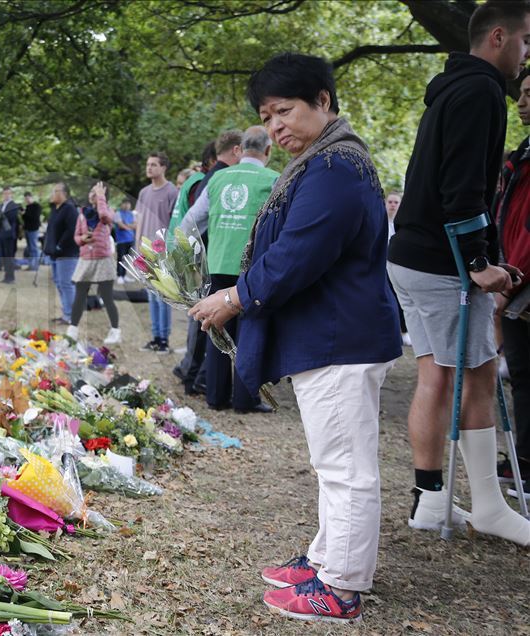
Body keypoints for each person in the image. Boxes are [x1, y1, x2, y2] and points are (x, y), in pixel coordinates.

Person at [190, 53, 401, 622]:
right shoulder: (324, 159)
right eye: (267, 115)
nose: (275, 125)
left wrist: (232, 297)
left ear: (323, 102)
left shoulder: (336, 165)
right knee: (332, 460)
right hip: (331, 333)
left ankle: (342, 585)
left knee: (345, 466)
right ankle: (328, 557)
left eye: (285, 110)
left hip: (340, 336)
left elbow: (297, 253)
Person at [387, 0, 530, 544]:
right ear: (498, 37)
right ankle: (489, 508)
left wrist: (481, 258)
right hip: (442, 262)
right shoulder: (482, 93)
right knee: (480, 373)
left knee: (437, 374)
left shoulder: (452, 87)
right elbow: (463, 189)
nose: (526, 56)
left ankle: (430, 500)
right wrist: (479, 264)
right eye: (525, 43)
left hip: (411, 256)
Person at [199, 125, 279, 414]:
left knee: (216, 327)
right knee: (250, 332)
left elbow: (194, 219)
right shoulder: (274, 179)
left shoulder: (218, 178)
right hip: (252, 268)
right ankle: (245, 400)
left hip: (218, 262)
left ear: (241, 148)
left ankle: (216, 396)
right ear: (268, 150)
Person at [174, 136, 240, 394]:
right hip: (209, 259)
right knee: (205, 322)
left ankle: (194, 375)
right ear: (235, 151)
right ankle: (196, 376)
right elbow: (194, 223)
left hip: (204, 259)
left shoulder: (209, 178)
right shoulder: (219, 179)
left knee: (203, 321)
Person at [494, 69, 530, 488]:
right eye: (520, 93)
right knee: (522, 375)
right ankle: (523, 458)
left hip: (520, 280)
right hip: (515, 278)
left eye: (529, 94)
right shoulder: (519, 153)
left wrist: (509, 281)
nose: (520, 101)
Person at [66, 182, 122, 345]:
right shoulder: (82, 213)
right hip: (86, 259)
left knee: (106, 296)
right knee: (79, 295)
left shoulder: (108, 210)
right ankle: (73, 330)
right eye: (92, 191)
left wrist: (101, 198)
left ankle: (115, 331)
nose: (93, 193)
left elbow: (104, 217)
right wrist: (82, 239)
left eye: (97, 191)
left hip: (103, 259)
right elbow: (76, 236)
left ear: (104, 195)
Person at [135, 152, 179, 353]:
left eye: (153, 164)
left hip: (163, 252)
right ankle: (155, 337)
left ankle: (164, 339)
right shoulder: (144, 192)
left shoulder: (172, 191)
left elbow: (175, 223)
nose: (149, 168)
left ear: (163, 168)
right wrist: (137, 246)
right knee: (151, 295)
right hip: (145, 251)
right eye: (148, 164)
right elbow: (139, 221)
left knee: (163, 297)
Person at [44, 183, 79, 324]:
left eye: (55, 191)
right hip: (54, 253)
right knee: (59, 283)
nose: (52, 194)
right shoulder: (55, 209)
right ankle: (66, 313)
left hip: (67, 253)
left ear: (63, 193)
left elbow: (72, 230)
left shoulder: (70, 209)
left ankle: (71, 315)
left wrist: (59, 245)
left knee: (66, 284)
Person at [384, 191, 410, 344]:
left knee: (400, 300)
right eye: (390, 202)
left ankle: (404, 331)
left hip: (397, 268)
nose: (393, 205)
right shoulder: (380, 222)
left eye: (396, 202)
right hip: (381, 268)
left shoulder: (402, 225)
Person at [0, 187, 21, 284]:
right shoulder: (1, 205)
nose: (6, 195)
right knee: (4, 256)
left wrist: (0, 216)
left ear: (11, 194)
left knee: (9, 256)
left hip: (9, 235)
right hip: (1, 234)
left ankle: (11, 277)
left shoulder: (14, 205)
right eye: (4, 193)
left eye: (8, 193)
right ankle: (6, 275)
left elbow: (12, 218)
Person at [114, 199, 137, 283]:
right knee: (121, 258)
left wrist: (126, 224)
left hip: (130, 239)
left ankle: (124, 275)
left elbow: (136, 225)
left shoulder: (132, 214)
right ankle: (119, 276)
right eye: (125, 203)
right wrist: (130, 226)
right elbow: (120, 226)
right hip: (121, 240)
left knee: (127, 258)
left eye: (128, 203)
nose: (127, 205)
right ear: (121, 204)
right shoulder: (118, 213)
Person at [22, 192, 42, 271]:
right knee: (29, 248)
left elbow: (34, 217)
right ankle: (31, 265)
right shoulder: (27, 206)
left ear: (31, 197)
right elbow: (26, 219)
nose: (27, 200)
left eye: (27, 198)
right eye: (25, 199)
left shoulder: (37, 206)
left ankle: (35, 266)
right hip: (27, 229)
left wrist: (25, 214)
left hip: (33, 229)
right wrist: (24, 214)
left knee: (34, 248)